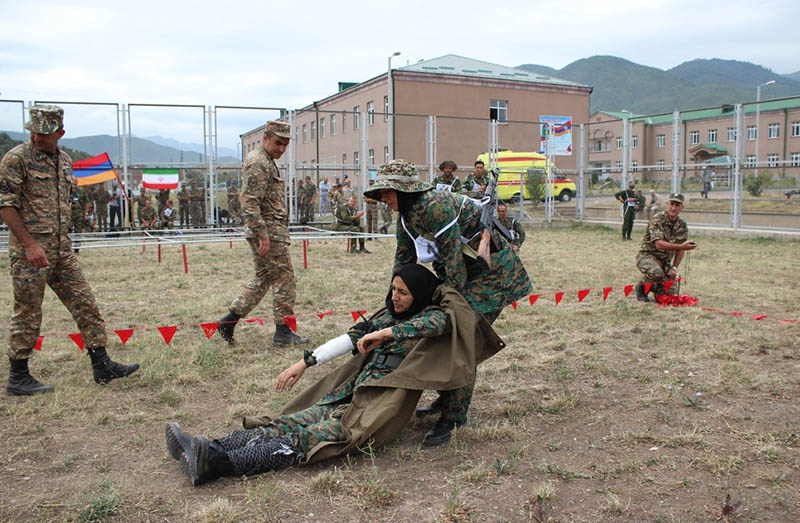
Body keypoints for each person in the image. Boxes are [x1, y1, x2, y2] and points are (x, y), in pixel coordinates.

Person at [165, 264, 504, 486]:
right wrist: (305, 363)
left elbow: (435, 324)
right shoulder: (388, 315)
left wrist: (385, 336)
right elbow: (349, 338)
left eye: (403, 292)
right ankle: (207, 448)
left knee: (310, 438)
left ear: (419, 294)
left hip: (375, 405)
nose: (395, 297)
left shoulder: (434, 320)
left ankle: (218, 465)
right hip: (349, 394)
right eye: (393, 289)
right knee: (288, 422)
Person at [364, 159, 532, 445]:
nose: (384, 198)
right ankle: (447, 399)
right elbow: (404, 258)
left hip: (491, 276)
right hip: (462, 275)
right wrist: (394, 298)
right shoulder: (405, 216)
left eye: (389, 191)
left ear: (405, 190)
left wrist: (451, 306)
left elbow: (453, 256)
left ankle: (455, 416)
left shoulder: (435, 205)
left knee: (460, 336)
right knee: (445, 336)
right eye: (381, 192)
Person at [0, 105, 140, 396]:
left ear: (60, 133)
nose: (37, 137)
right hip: (31, 252)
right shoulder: (16, 159)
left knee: (85, 303)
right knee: (27, 311)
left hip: (61, 250)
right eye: (33, 131)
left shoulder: (63, 161)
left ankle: (102, 364)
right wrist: (29, 245)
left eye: (44, 133)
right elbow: (6, 205)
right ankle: (18, 376)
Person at [216, 121, 310, 347]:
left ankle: (228, 321)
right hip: (268, 230)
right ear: (265, 139)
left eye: (285, 145)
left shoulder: (266, 161)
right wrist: (263, 235)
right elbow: (249, 202)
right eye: (278, 143)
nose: (281, 149)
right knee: (284, 278)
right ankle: (283, 331)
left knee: (264, 277)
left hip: (269, 229)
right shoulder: (258, 162)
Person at [635, 193, 697, 302]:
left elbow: (681, 250)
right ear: (667, 204)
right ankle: (642, 287)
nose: (674, 208)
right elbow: (659, 244)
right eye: (672, 204)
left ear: (682, 208)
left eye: (677, 205)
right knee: (657, 273)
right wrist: (682, 246)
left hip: (665, 262)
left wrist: (674, 268)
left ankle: (656, 287)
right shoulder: (657, 219)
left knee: (672, 292)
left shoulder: (682, 225)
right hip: (647, 257)